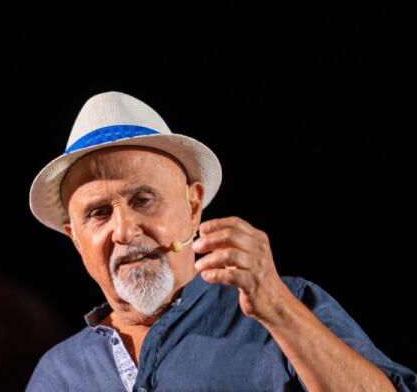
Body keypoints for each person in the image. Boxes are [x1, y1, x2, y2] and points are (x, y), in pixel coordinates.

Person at [26, 91, 416, 391]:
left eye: (143, 200)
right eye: (99, 213)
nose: (125, 231)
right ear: (75, 238)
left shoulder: (288, 305)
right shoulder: (57, 375)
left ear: (193, 207)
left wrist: (277, 309)